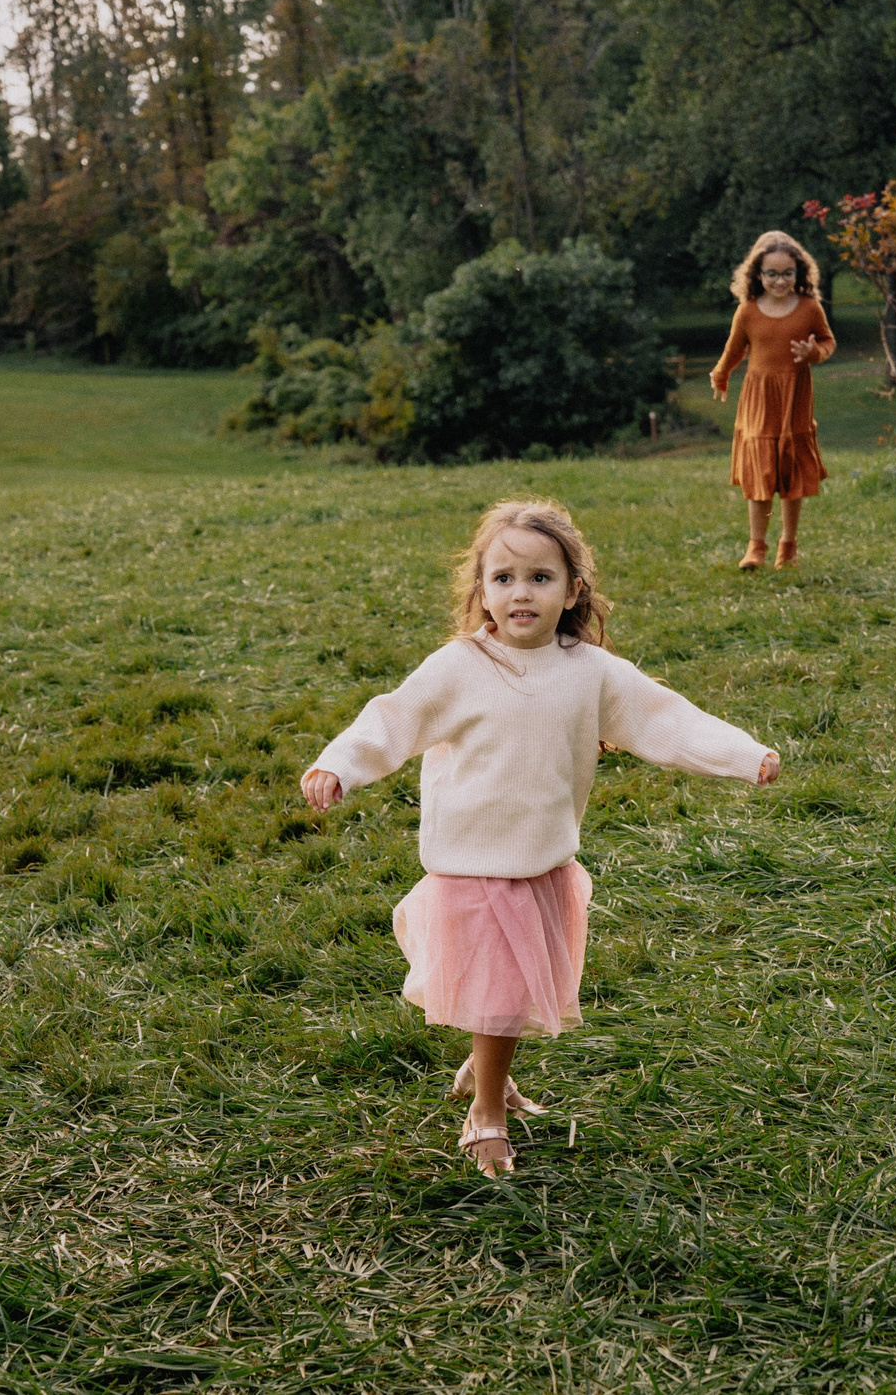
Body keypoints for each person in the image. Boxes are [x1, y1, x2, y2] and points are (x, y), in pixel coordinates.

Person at [299, 499, 780, 1176]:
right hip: (472, 863)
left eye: (539, 577)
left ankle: (486, 1068)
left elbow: (667, 720)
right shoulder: (461, 665)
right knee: (499, 993)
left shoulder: (591, 671)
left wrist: (743, 754)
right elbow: (392, 720)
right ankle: (486, 1112)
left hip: (542, 861)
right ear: (481, 591)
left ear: (573, 590)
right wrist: (338, 765)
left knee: (511, 991)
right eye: (503, 578)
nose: (520, 592)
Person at [710, 231, 836, 570]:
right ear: (757, 275)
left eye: (787, 273)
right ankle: (756, 547)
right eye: (772, 273)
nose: (780, 280)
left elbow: (827, 342)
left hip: (794, 399)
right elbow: (734, 350)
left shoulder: (809, 308)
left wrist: (814, 353)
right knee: (760, 474)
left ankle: (788, 547)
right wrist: (720, 375)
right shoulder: (748, 312)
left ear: (799, 273)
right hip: (759, 399)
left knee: (790, 472)